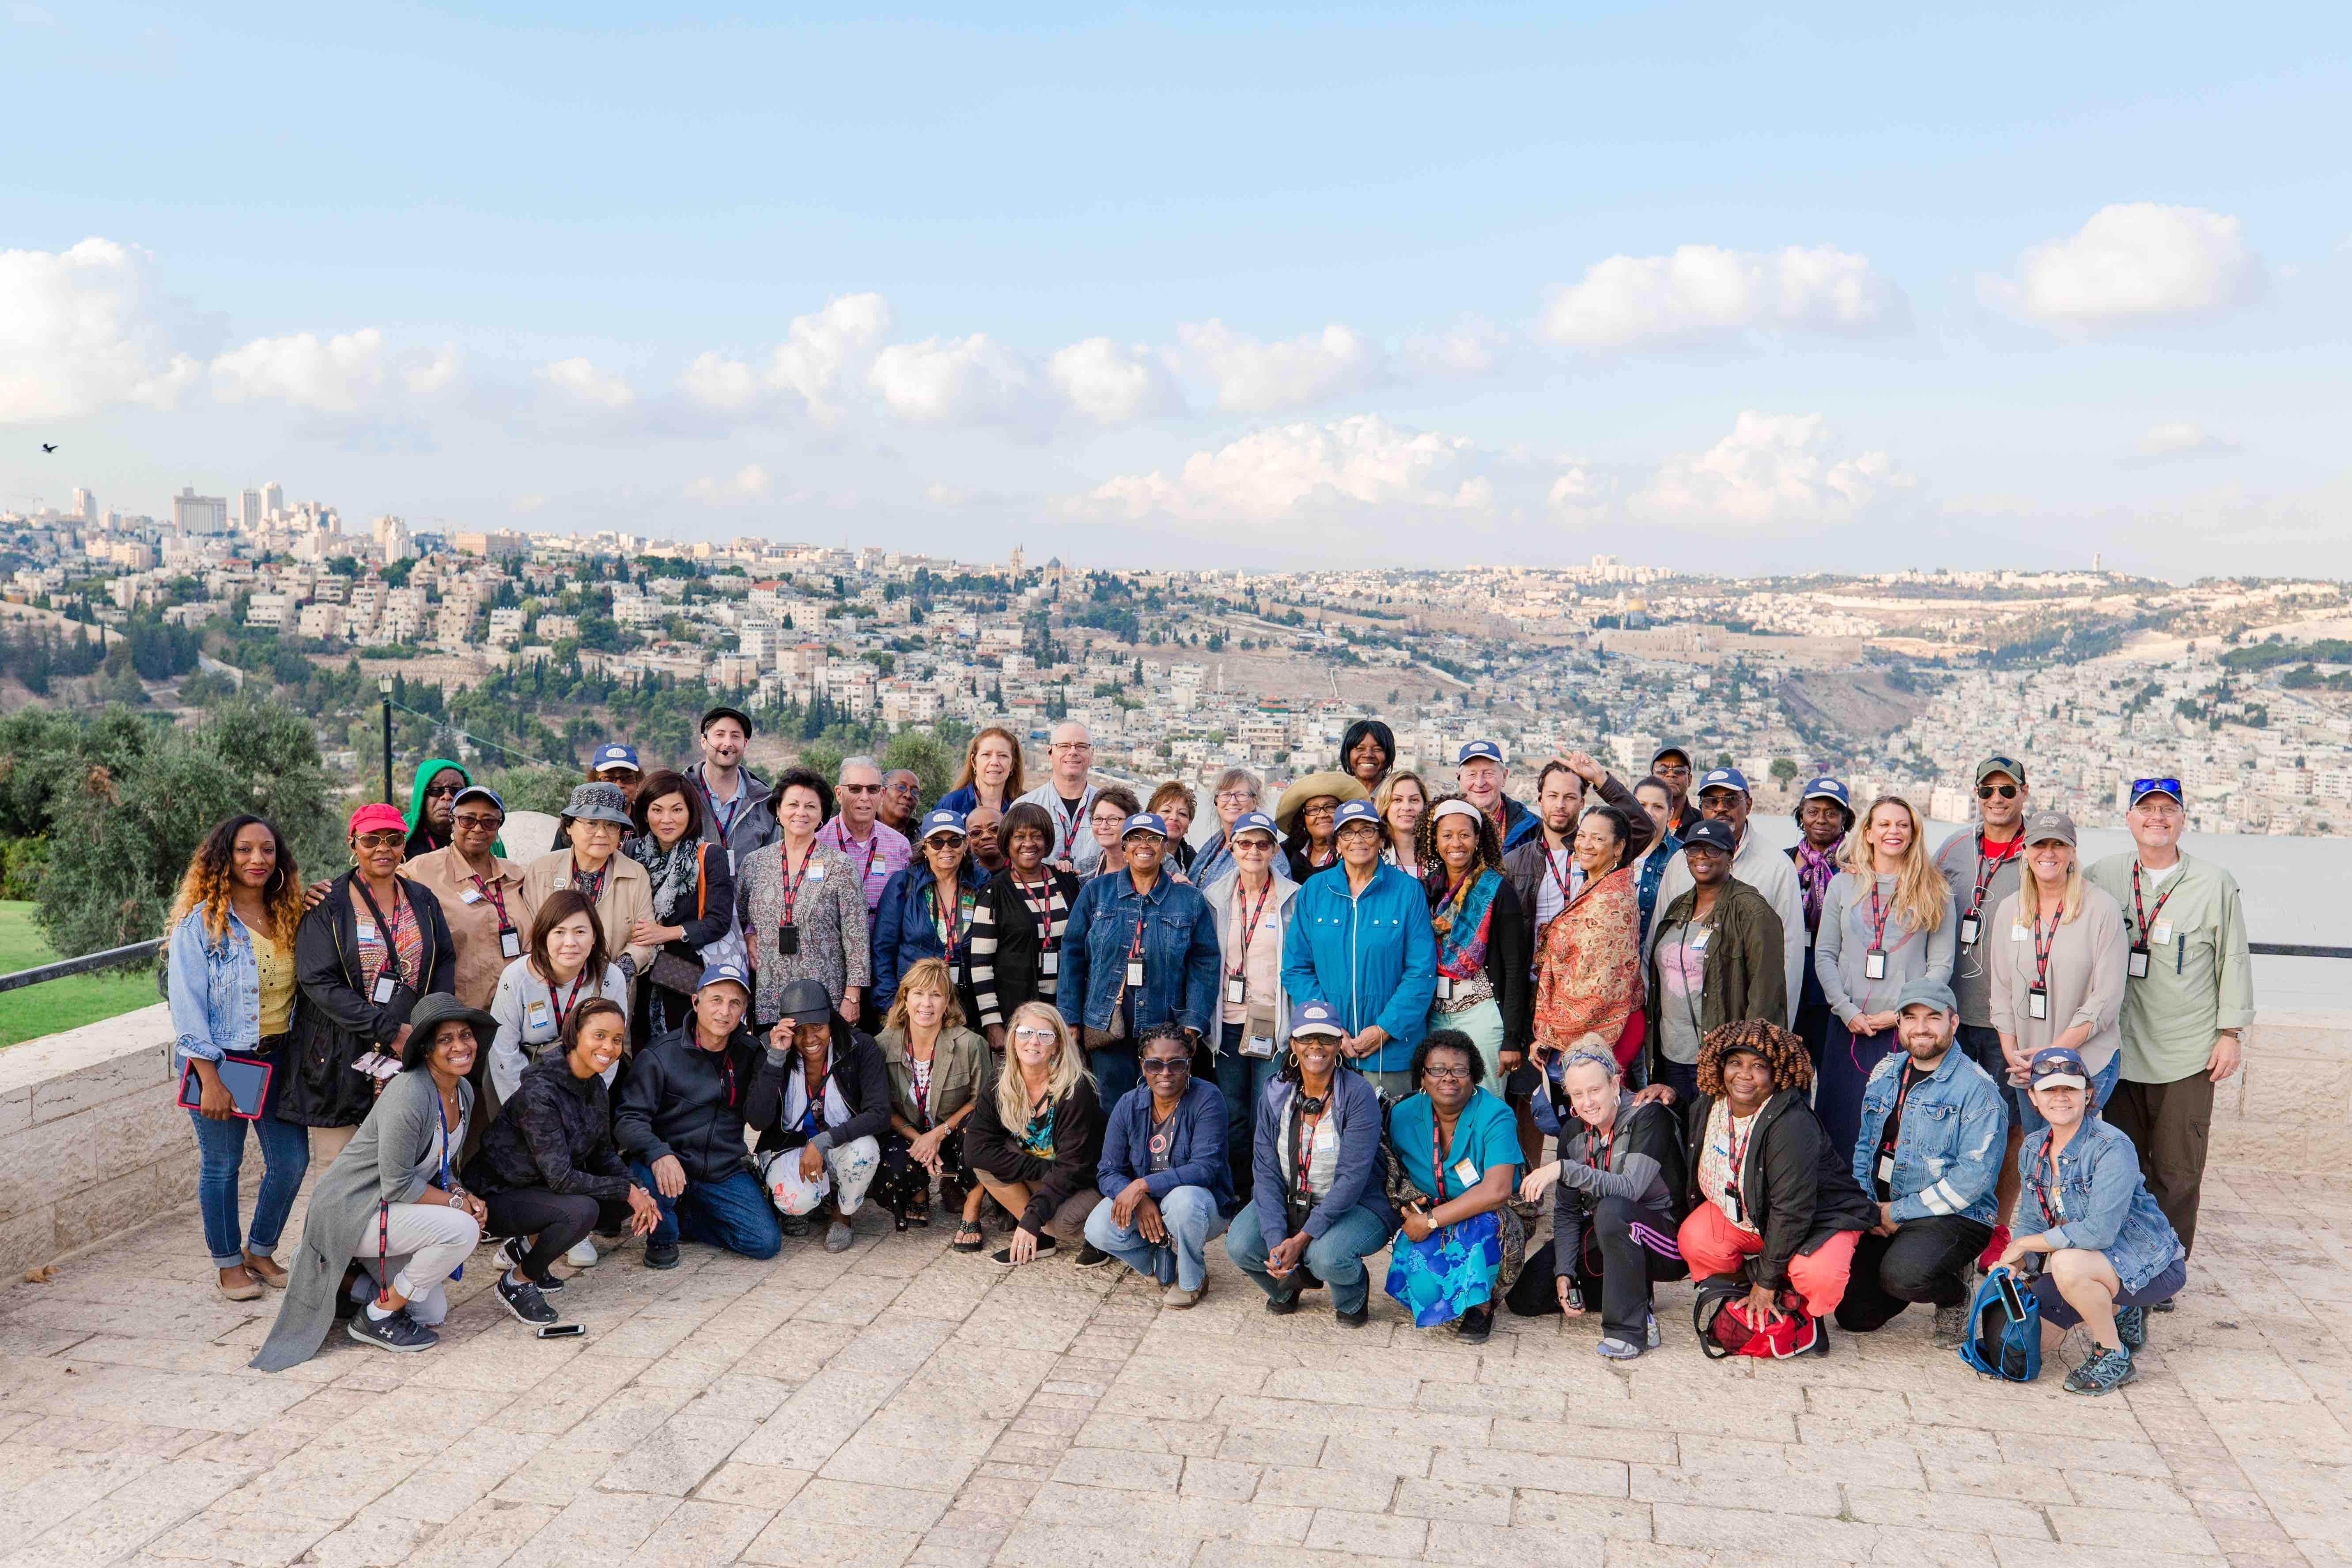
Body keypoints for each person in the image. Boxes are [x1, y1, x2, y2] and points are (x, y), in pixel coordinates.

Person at [250, 994, 495, 1369]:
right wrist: (457, 1206)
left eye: (465, 1035)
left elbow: (439, 1166)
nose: (460, 1045)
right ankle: (378, 1315)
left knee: (430, 1312)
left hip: (389, 1209)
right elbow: (398, 1182)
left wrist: (462, 1192)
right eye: (446, 1039)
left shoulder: (462, 1091)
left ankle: (342, 1278)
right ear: (427, 1050)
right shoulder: (410, 1092)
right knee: (461, 1230)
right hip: (352, 1209)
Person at [2084, 777, 2249, 1280]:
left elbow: (2233, 959)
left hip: (2187, 1051)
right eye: (2146, 808)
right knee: (2119, 1169)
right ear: (2128, 819)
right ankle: (2118, 1263)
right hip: (2117, 1049)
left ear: (2183, 819)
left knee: (2177, 1173)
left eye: (2167, 809)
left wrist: (2230, 1034)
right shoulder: (2101, 874)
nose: (2157, 817)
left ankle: (2163, 1270)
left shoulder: (2214, 881)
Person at [166, 815, 310, 1301]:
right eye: (245, 849)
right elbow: (187, 1007)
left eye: (267, 849)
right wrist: (209, 1077)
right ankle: (228, 1262)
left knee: (291, 1161)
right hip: (223, 1058)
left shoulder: (288, 914)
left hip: (280, 1058)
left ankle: (260, 1249)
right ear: (224, 857)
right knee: (222, 1165)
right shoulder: (202, 924)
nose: (257, 859)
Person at [1996, 1046, 2190, 1394]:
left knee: (2066, 1262)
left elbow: (2098, 1232)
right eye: (2049, 1089)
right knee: (2020, 1346)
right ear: (2034, 1097)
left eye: (2069, 1088)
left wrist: (2026, 1244)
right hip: (2096, 1262)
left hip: (2149, 1265)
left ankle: (2113, 1353)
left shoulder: (2112, 1146)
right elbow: (2031, 1221)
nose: (2060, 1097)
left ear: (2088, 1094)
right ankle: (2120, 1310)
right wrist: (2017, 1259)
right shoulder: (2034, 1146)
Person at [1676, 1020, 1872, 1354]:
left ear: (1777, 1073)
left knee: (1816, 1273)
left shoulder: (1792, 1123)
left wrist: (1766, 1282)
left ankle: (1806, 1314)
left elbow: (1792, 1212)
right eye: (1735, 1062)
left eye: (1759, 1066)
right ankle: (1760, 1289)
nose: (1744, 1074)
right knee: (1696, 1238)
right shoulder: (1710, 1104)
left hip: (1820, 1219)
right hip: (1757, 1213)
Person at [282, 803, 458, 1167]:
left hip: (406, 1051)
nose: (383, 848)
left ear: (403, 844)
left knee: (398, 1162)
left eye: (393, 839)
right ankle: (337, 1229)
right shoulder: (328, 905)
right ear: (353, 843)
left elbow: (443, 959)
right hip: (340, 1056)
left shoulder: (423, 900)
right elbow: (318, 981)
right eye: (371, 840)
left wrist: (431, 1024)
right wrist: (389, 1029)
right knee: (339, 1167)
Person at [462, 997, 660, 1320]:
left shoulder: (595, 1085)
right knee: (583, 1210)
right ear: (575, 1035)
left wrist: (639, 1190)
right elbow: (562, 1178)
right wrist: (627, 1190)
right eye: (599, 1036)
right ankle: (518, 1281)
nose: (609, 1047)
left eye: (617, 1039)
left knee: (623, 1200)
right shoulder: (540, 1092)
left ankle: (524, 1249)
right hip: (496, 1195)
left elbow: (604, 1154)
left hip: (539, 1188)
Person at [1834, 979, 2005, 1346]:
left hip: (1953, 1213)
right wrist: (1868, 1207)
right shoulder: (1886, 1070)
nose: (1921, 1028)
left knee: (1904, 1276)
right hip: (1885, 1207)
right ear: (1899, 1023)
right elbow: (1866, 1146)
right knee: (1853, 1315)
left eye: (1933, 1017)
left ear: (1954, 1023)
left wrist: (1899, 1212)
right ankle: (1913, 1261)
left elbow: (1972, 1180)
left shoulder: (1979, 1088)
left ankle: (1955, 1292)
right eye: (1910, 1018)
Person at [1505, 1048, 1689, 1358]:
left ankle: (1631, 1328)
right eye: (1578, 1093)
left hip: (1666, 1241)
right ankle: (1627, 1291)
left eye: (1595, 1090)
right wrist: (1565, 1271)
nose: (1588, 1102)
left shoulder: (1648, 1115)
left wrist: (1564, 1169)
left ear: (1615, 1084)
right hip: (1610, 1230)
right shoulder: (1573, 1132)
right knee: (1526, 1296)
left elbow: (1629, 1188)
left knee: (1613, 1209)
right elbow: (1566, 1211)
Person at [1227, 1002, 1400, 1326]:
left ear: (1338, 1046)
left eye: (1326, 1038)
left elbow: (1352, 1180)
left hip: (1357, 1203)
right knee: (1240, 1244)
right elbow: (1265, 1169)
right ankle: (1286, 1287)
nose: (1316, 1046)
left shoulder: (1358, 1094)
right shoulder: (1276, 1092)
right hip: (1294, 1198)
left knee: (1326, 1256)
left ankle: (1352, 1294)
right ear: (1293, 1044)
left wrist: (1302, 1239)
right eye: (1307, 1038)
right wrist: (1279, 1238)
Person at [614, 960, 783, 1267]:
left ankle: (683, 1219)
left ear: (744, 1010)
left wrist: (774, 1062)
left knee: (765, 1242)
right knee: (651, 1175)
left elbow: (759, 1120)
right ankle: (663, 1236)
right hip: (669, 1164)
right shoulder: (660, 1054)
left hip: (722, 1169)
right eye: (716, 999)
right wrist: (658, 1154)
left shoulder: (749, 1051)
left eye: (735, 1003)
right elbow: (628, 1119)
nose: (724, 1011)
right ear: (696, 1001)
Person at [1814, 794, 1956, 1158]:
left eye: (1903, 825)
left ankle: (1885, 1211)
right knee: (1838, 1126)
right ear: (1869, 833)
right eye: (1885, 824)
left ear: (1913, 834)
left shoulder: (1935, 889)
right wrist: (1846, 1010)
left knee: (1894, 1130)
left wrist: (1901, 1014)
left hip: (1906, 1033)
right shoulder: (1843, 885)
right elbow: (1826, 954)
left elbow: (1940, 966)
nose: (1894, 831)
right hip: (1847, 1027)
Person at [1934, 754, 2032, 1258]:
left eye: (2006, 790)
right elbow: (1917, 901)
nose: (1996, 799)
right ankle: (1951, 1218)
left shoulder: (2041, 850)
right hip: (1952, 1013)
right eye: (1987, 790)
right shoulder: (1952, 848)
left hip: (2009, 1020)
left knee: (2010, 1129)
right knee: (1950, 1122)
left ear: (2023, 792)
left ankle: (1996, 1227)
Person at [1058, 812, 1221, 1109]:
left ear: (1163, 847)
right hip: (1106, 1026)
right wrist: (1070, 1016)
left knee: (1165, 1106)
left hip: (1167, 1026)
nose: (1143, 845)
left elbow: (1205, 964)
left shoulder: (1190, 900)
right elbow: (1071, 954)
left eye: (1152, 838)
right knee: (1111, 1107)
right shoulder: (1097, 892)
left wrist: (1193, 1022)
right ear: (1124, 847)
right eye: (1135, 837)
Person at [1280, 798, 1439, 1098]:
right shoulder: (1315, 890)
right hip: (1327, 1048)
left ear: (1381, 838)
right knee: (1331, 1134)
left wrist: (1384, 1029)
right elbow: (1296, 967)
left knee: (1392, 1136)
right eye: (1348, 833)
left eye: (1367, 831)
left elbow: (1421, 972)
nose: (1358, 840)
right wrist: (1327, 1025)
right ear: (1337, 843)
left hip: (1392, 1051)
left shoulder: (1408, 891)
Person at [1989, 811, 2129, 1139]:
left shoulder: (2102, 909)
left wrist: (2054, 1054)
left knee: (2070, 1156)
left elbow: (2106, 1000)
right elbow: (2001, 992)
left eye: (2058, 844)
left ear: (2072, 852)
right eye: (2040, 844)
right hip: (2028, 1066)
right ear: (2026, 851)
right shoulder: (2010, 910)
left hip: (2085, 1062)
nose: (2048, 853)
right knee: (2039, 1153)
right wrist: (2012, 1053)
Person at [1383, 1030, 1520, 1343]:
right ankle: (1452, 1295)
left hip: (1492, 1216)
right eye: (1438, 1069)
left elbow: (1497, 1191)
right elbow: (1392, 1169)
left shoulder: (1497, 1115)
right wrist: (1407, 1203)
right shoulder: (1402, 1115)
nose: (1449, 1078)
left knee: (1482, 1226)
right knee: (1421, 1275)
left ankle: (1481, 1307)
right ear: (1423, 1075)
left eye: (1460, 1069)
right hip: (1432, 1213)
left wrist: (1430, 1220)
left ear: (1474, 1077)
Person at [1082, 1023, 1231, 1306]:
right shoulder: (1128, 1105)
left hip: (1201, 1206)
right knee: (1098, 1228)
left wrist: (1142, 1185)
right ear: (1142, 1066)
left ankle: (1192, 1279)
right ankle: (1156, 1260)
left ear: (1188, 1066)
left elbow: (1205, 1168)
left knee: (1183, 1201)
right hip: (1148, 1204)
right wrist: (1138, 1199)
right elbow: (1108, 1170)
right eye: (1155, 1064)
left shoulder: (1208, 1099)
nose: (1165, 1073)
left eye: (1176, 1064)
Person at [1648, 767, 1807, 1027]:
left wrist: (1773, 1031)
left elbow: (1788, 956)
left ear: (1749, 804)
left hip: (1739, 1023)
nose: (1720, 808)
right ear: (1702, 808)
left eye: (1731, 800)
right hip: (1678, 1025)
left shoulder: (1777, 866)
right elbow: (1659, 934)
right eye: (1711, 801)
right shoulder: (1680, 863)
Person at [1644, 820, 1788, 1104]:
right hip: (1671, 1054)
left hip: (1722, 1057)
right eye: (1694, 849)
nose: (1701, 857)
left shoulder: (1753, 911)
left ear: (1730, 856)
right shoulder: (1679, 906)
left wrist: (1747, 1062)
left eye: (1713, 851)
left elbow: (1767, 994)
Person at [747, 978, 893, 1252]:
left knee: (865, 1151)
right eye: (799, 1030)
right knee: (794, 1202)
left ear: (831, 1021)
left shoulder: (859, 1046)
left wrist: (824, 1141)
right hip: (789, 1147)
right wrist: (776, 1059)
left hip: (840, 1144)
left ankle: (842, 1213)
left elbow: (880, 1114)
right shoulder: (770, 1050)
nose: (809, 1039)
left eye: (818, 1027)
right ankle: (810, 1202)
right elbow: (757, 1120)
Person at [1202, 810, 1298, 1198]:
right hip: (1227, 1022)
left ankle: (1268, 1192)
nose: (1254, 850)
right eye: (1245, 843)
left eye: (1263, 843)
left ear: (1275, 849)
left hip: (1273, 1023)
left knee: (1269, 1110)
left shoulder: (1294, 897)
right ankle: (1237, 1191)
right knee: (1232, 1114)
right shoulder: (1213, 896)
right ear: (1232, 847)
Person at [967, 1001, 1108, 1266]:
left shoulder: (1074, 1090)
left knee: (1063, 1224)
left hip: (1087, 1180)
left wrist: (1034, 1216)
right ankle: (1040, 1237)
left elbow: (1073, 1169)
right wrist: (1043, 1170)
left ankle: (1103, 1236)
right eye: (1025, 1033)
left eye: (1045, 1035)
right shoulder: (1001, 1082)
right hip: (1049, 1170)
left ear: (1057, 1045)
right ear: (1013, 1038)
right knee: (986, 1165)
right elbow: (975, 1149)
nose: (1034, 1042)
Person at [737, 767, 870, 1028]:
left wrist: (853, 996)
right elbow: (741, 917)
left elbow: (857, 936)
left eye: (811, 806)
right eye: (793, 804)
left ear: (821, 815)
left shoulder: (840, 866)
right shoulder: (754, 864)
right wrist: (749, 934)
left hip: (823, 994)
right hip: (769, 993)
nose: (801, 813)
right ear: (778, 810)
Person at [1415, 797, 1531, 1090]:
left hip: (1482, 1011)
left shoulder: (1498, 890)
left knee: (1488, 1098)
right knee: (1439, 1098)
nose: (1457, 843)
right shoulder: (1425, 891)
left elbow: (1516, 967)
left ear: (1478, 839)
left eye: (1465, 835)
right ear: (1435, 841)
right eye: (1448, 835)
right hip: (1434, 1014)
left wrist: (1512, 1038)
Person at [400, 784, 533, 1035]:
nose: (478, 829)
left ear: (499, 827)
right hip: (461, 1019)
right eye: (467, 820)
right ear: (453, 822)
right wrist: (328, 892)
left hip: (518, 1015)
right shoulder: (422, 871)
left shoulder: (517, 875)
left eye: (489, 822)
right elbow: (375, 890)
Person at [1528, 805, 1646, 1080]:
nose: (1585, 845)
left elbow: (1594, 988)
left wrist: (1549, 1035)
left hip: (1603, 1033)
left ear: (1619, 848)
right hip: (1586, 1031)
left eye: (1598, 839)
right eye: (1582, 836)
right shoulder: (1597, 885)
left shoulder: (1611, 901)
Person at [873, 958, 987, 1239]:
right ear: (905, 997)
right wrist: (919, 1138)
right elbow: (880, 1106)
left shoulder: (971, 1045)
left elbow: (982, 1103)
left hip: (954, 1131)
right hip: (908, 1133)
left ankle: (972, 1207)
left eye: (935, 995)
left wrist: (938, 1133)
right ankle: (918, 1191)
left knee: (980, 1131)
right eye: (919, 994)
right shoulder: (882, 1045)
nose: (927, 1004)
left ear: (947, 1001)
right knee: (888, 1159)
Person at [487, 889, 630, 1112]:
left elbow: (609, 1050)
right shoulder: (516, 978)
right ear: (543, 936)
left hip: (584, 1082)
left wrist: (586, 1102)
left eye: (580, 931)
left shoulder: (611, 979)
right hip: (521, 1080)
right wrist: (528, 1108)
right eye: (559, 932)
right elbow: (503, 1051)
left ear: (594, 937)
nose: (570, 943)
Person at [624, 768, 737, 1039]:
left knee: (682, 1042)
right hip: (638, 973)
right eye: (657, 810)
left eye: (677, 810)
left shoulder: (710, 856)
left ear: (691, 813)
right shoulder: (630, 852)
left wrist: (667, 933)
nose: (667, 820)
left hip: (683, 974)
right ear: (644, 813)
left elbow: (718, 922)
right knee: (638, 1045)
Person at [521, 782, 656, 993]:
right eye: (591, 824)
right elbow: (529, 934)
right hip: (550, 986)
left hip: (611, 992)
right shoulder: (542, 871)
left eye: (612, 825)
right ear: (568, 826)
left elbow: (645, 939)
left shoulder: (636, 874)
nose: (602, 833)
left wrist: (617, 973)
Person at [968, 801, 1080, 1049]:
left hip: (1065, 1012)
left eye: (1036, 836)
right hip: (1016, 1016)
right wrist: (992, 1023)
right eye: (1019, 837)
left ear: (1047, 841)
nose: (1028, 844)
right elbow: (981, 964)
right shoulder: (993, 892)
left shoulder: (1068, 882)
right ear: (1007, 842)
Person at [873, 809, 983, 1018]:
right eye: (937, 842)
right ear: (924, 847)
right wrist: (891, 1006)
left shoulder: (982, 883)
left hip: (967, 1006)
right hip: (915, 1007)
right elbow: (882, 951)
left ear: (966, 844)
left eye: (954, 841)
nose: (946, 849)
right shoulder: (903, 884)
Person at [1786, 775, 1853, 1072]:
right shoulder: (1785, 862)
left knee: (1833, 1067)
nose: (1822, 820)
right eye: (1813, 811)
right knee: (1791, 1068)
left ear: (1845, 819)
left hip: (1838, 977)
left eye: (1831, 813)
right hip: (1794, 975)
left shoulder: (1857, 865)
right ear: (1801, 815)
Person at [820, 756, 913, 925]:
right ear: (839, 794)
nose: (865, 797)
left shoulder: (900, 846)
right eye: (855, 789)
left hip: (883, 949)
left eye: (872, 789)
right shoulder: (818, 841)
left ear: (882, 794)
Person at [689, 705, 777, 870]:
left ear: (745, 744)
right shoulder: (681, 792)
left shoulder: (764, 801)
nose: (728, 743)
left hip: (746, 896)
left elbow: (771, 867)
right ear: (704, 741)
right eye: (720, 735)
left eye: (735, 736)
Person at [1014, 720, 1102, 874]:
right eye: (1064, 746)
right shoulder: (1024, 806)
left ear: (1092, 753)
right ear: (1050, 752)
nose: (1073, 752)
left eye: (1082, 746)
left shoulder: (1109, 807)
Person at [548, 742, 645, 854]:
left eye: (627, 778)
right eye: (608, 778)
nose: (618, 785)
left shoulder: (647, 825)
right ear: (593, 781)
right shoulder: (573, 827)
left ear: (637, 783)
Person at [1274, 769, 1366, 882]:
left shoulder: (1356, 852)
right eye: (1313, 810)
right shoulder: (1286, 852)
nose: (1322, 814)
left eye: (1331, 807)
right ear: (1303, 819)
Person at [1192, 767, 1278, 888]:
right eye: (1226, 795)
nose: (1233, 801)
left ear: (1254, 802)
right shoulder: (1214, 846)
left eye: (1241, 795)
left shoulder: (1266, 849)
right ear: (1217, 802)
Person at [1456, 740, 1539, 851]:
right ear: (1459, 779)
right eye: (1472, 775)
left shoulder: (1533, 829)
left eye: (1488, 774)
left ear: (1504, 777)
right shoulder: (1441, 825)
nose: (1480, 783)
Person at [1630, 776, 1681, 948]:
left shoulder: (1683, 855)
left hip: (1661, 961)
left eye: (1658, 807)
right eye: (1642, 805)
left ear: (1670, 814)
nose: (1648, 812)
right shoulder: (1615, 851)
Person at [939, 725, 1025, 818]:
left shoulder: (1025, 805)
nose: (994, 762)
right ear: (973, 762)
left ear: (1012, 764)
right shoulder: (951, 805)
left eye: (1003, 756)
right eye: (986, 755)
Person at [402, 759, 473, 861]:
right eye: (436, 790)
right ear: (422, 797)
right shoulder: (398, 838)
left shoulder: (485, 835)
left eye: (456, 790)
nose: (447, 796)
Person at [1081, 787, 1143, 880]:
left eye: (1113, 819)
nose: (1104, 826)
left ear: (1131, 823)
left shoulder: (1156, 862)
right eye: (1098, 819)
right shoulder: (1087, 868)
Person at [1376, 771, 1429, 877]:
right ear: (1385, 805)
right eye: (1397, 800)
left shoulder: (1439, 854)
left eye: (1414, 800)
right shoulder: (1373, 854)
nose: (1407, 808)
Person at [1146, 781, 1198, 879]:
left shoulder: (1194, 860)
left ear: (1189, 823)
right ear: (1151, 815)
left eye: (1182, 814)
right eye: (1166, 811)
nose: (1174, 818)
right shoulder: (1136, 852)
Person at [1648, 746, 1702, 839]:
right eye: (1662, 771)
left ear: (1690, 779)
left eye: (1679, 771)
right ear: (1651, 779)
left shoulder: (1701, 823)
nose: (1671, 774)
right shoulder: (1639, 821)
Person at [1340, 718, 1396, 793]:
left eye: (1378, 749)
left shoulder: (1398, 795)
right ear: (1348, 754)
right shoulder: (1339, 797)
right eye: (1360, 749)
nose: (1368, 755)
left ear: (1389, 754)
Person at [966, 805, 1007, 878]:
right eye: (976, 833)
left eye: (994, 829)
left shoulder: (1023, 868)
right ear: (967, 841)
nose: (986, 836)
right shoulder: (965, 876)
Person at [879, 769, 923, 837]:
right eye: (901, 787)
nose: (909, 796)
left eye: (915, 792)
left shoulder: (922, 838)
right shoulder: (861, 828)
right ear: (883, 793)